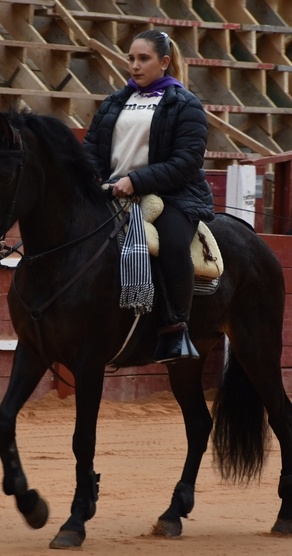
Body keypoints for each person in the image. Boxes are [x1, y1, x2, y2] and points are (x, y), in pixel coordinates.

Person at [82, 29, 215, 364]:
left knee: (172, 245)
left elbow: (186, 163)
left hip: (174, 195)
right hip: (113, 191)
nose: (135, 66)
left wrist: (136, 181)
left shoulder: (186, 104)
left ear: (164, 62)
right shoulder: (115, 100)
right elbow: (91, 151)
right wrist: (94, 179)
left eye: (144, 59)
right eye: (131, 58)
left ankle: (176, 330)